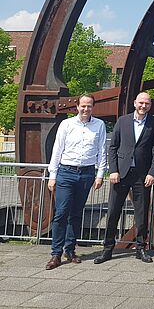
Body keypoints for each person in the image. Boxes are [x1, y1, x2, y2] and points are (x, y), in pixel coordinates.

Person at [94, 92, 154, 264]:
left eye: (146, 103)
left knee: (141, 213)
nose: (143, 106)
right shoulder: (123, 121)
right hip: (121, 174)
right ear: (134, 103)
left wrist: (152, 172)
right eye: (141, 102)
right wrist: (114, 170)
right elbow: (113, 147)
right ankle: (107, 249)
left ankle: (141, 249)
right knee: (113, 212)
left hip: (142, 175)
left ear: (150, 105)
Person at [45, 94, 107, 270]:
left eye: (89, 106)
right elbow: (57, 149)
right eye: (83, 106)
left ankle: (70, 250)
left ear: (93, 108)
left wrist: (100, 174)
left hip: (87, 173)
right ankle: (56, 253)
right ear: (77, 107)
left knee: (77, 213)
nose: (86, 109)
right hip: (66, 172)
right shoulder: (67, 124)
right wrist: (53, 175)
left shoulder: (99, 125)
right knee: (61, 212)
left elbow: (102, 150)